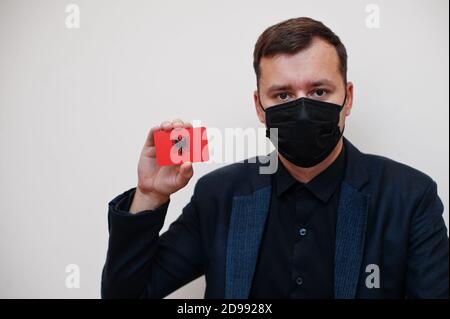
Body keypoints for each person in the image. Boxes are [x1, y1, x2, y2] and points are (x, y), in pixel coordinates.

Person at [101, 17, 449, 299]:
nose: (300, 108)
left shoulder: (409, 196)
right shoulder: (219, 195)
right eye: (282, 94)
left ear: (348, 98)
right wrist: (149, 196)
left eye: (319, 91)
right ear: (259, 106)